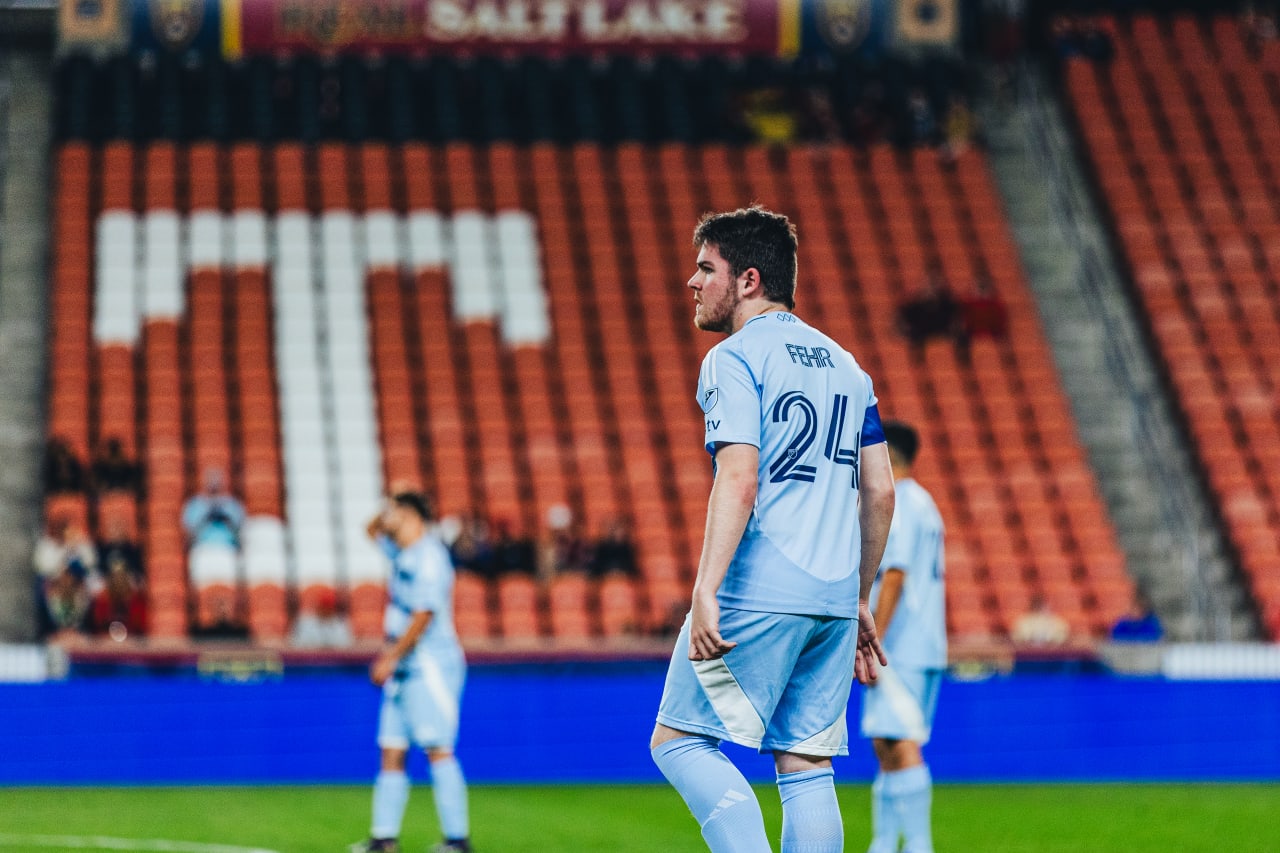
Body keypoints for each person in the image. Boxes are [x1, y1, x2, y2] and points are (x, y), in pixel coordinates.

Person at [650, 206, 896, 853]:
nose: (692, 282)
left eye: (706, 268)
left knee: (678, 739)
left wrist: (706, 587)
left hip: (761, 587)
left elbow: (740, 477)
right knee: (806, 762)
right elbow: (880, 490)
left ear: (749, 278)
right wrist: (859, 595)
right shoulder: (849, 367)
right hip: (833, 600)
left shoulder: (734, 358)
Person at [351, 491, 471, 853]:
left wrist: (389, 657)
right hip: (405, 669)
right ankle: (384, 838)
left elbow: (424, 614)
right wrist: (387, 509)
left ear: (414, 518)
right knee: (391, 749)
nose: (390, 520)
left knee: (438, 748)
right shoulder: (404, 552)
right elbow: (370, 530)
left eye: (397, 513)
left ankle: (458, 840)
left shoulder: (430, 557)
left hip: (430, 666)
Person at [862, 421, 947, 853]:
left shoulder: (901, 502)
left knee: (901, 739)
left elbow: (894, 574)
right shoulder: (925, 504)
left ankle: (916, 844)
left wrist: (872, 639)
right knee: (887, 741)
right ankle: (885, 842)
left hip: (902, 645)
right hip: (920, 642)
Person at [182, 468, 246, 549]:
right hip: (202, 548)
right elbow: (189, 534)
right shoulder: (194, 505)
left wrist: (225, 519)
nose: (214, 484)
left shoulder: (232, 505)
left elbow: (239, 531)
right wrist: (206, 518)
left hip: (228, 547)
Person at [88, 557, 148, 640]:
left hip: (131, 642)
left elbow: (140, 627)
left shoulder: (136, 600)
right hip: (106, 642)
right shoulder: (102, 600)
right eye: (115, 577)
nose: (118, 581)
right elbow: (97, 625)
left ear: (127, 578)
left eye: (121, 577)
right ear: (110, 579)